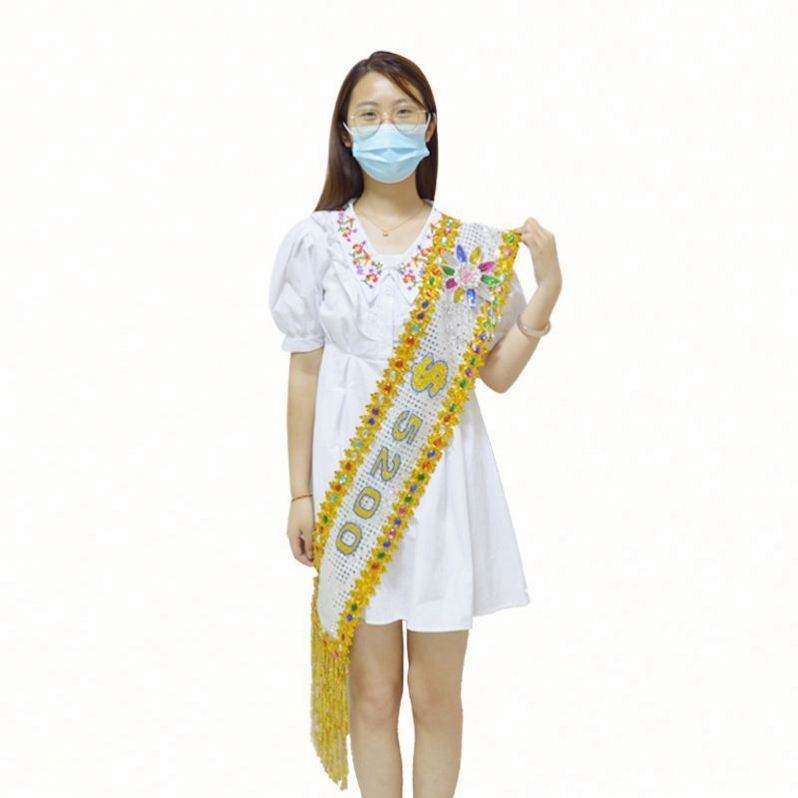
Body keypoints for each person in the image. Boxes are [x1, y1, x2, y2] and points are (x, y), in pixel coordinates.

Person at [269, 50, 562, 796]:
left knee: (437, 698)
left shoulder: (470, 250)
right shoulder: (317, 243)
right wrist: (300, 494)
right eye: (369, 115)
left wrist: (544, 294)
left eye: (404, 113)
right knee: (371, 697)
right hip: (354, 489)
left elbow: (495, 375)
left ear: (429, 127)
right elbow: (304, 372)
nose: (387, 129)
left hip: (442, 488)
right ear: (345, 132)